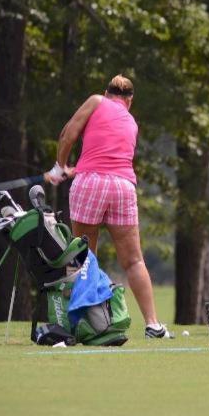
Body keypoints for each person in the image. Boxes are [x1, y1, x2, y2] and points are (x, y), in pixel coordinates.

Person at [45, 75, 172, 339]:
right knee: (134, 259)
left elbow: (68, 133)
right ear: (130, 100)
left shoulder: (96, 100)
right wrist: (74, 169)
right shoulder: (131, 121)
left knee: (83, 257)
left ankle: (86, 323)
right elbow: (108, 157)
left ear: (107, 92)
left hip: (91, 184)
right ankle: (153, 325)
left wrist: (60, 166)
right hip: (123, 186)